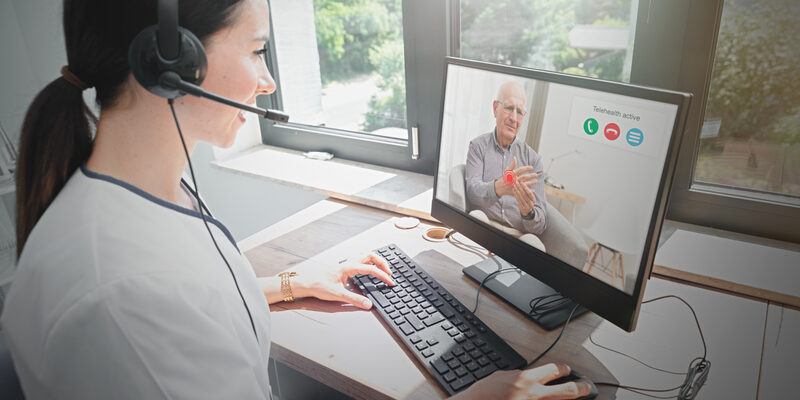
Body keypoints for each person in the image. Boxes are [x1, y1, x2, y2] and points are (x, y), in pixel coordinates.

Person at [0, 1, 590, 399]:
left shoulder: (141, 194)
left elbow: (189, 298)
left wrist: (286, 285)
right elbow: (159, 303)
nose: (269, 80)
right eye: (257, 50)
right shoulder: (123, 302)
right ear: (171, 63)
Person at [466, 81, 547, 236]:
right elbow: (472, 192)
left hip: (517, 235)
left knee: (535, 246)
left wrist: (528, 213)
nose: (514, 118)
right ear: (495, 108)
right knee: (475, 218)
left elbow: (541, 223)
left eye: (520, 112)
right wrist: (498, 188)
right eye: (509, 108)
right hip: (484, 225)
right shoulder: (477, 146)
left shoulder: (533, 160)